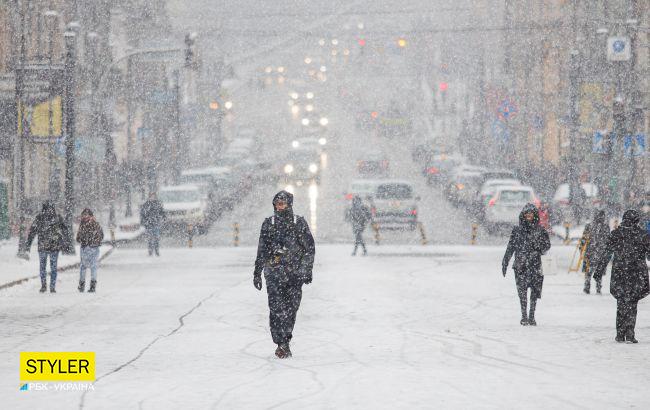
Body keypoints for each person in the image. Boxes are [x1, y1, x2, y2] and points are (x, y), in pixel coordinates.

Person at [253, 191, 315, 358]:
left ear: (289, 204)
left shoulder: (299, 223)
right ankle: (281, 342)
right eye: (277, 203)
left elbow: (309, 249)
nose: (280, 206)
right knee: (276, 309)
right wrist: (257, 272)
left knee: (291, 309)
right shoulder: (269, 224)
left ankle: (285, 339)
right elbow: (262, 250)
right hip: (273, 273)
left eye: (283, 203)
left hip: (295, 274)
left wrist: (306, 270)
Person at [594, 209, 650, 343]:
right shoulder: (643, 235)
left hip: (620, 273)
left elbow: (606, 253)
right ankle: (630, 333)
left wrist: (599, 271)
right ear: (637, 221)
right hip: (637, 274)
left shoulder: (616, 234)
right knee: (632, 302)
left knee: (621, 302)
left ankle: (620, 333)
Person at [502, 204, 551, 326]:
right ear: (523, 215)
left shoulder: (541, 230)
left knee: (535, 292)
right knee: (522, 292)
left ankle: (532, 316)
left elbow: (547, 245)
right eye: (526, 213)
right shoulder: (517, 230)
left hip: (536, 264)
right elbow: (511, 247)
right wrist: (505, 262)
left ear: (535, 215)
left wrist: (539, 248)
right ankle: (524, 315)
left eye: (531, 213)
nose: (529, 215)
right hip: (521, 265)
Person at [25, 201, 69, 293]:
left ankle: (43, 285)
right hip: (54, 247)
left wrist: (28, 245)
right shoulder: (57, 218)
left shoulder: (39, 218)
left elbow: (32, 232)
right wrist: (65, 243)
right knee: (53, 267)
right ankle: (52, 287)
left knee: (42, 267)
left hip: (42, 247)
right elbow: (65, 231)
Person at [579, 210, 610, 294]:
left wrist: (581, 248)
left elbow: (583, 239)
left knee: (588, 271)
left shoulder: (589, 226)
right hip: (601, 252)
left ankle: (587, 286)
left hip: (590, 251)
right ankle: (598, 287)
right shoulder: (606, 227)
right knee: (599, 271)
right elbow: (608, 241)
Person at [76, 208, 104, 293]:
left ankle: (82, 285)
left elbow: (78, 237)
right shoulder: (96, 224)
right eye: (84, 215)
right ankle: (92, 285)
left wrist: (84, 241)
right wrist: (95, 242)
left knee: (84, 267)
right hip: (93, 247)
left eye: (86, 215)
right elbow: (101, 235)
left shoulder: (83, 225)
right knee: (93, 266)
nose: (85, 217)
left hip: (86, 247)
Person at [140, 192, 165, 256]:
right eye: (151, 196)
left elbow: (162, 212)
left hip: (156, 223)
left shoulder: (158, 204)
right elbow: (142, 214)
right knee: (150, 238)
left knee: (156, 238)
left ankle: (157, 251)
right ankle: (150, 251)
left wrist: (163, 218)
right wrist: (143, 222)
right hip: (148, 225)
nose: (152, 197)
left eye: (153, 196)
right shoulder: (146, 204)